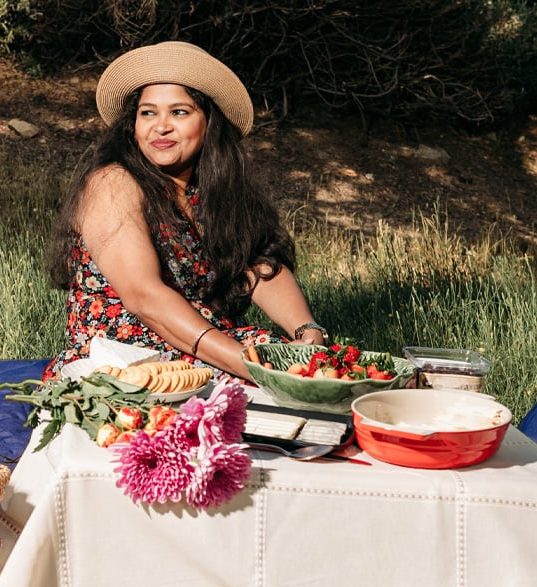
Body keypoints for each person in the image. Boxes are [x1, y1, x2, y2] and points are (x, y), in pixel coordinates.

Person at [43, 41, 327, 382]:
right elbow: (145, 298)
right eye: (148, 112)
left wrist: (307, 332)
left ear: (209, 123)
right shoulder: (113, 183)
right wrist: (252, 368)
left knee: (331, 376)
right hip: (126, 363)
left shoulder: (210, 193)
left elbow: (259, 265)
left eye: (179, 112)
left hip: (201, 347)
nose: (160, 126)